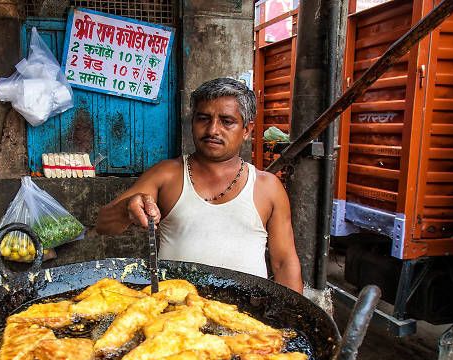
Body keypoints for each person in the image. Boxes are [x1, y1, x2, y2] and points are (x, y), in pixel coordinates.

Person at [95, 77, 302, 293]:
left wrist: (296, 322)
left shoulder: (267, 186)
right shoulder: (167, 174)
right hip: (173, 315)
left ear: (247, 129)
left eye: (226, 121)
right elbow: (103, 224)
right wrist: (127, 207)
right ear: (193, 122)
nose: (213, 130)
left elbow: (284, 262)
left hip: (244, 315)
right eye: (203, 119)